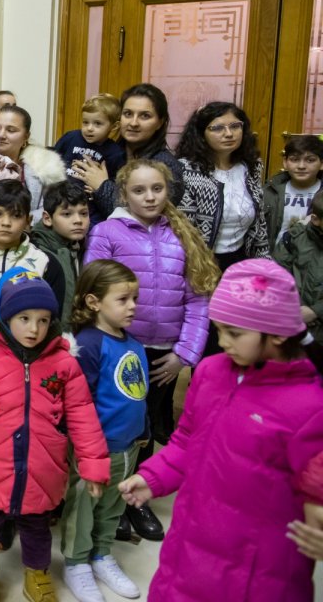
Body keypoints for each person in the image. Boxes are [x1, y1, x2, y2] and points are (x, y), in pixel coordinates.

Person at [118, 259, 323, 602]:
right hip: (188, 548)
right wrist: (152, 476)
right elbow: (187, 440)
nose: (222, 341)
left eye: (235, 332)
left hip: (256, 572)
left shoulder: (308, 407)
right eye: (219, 329)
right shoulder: (212, 373)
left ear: (275, 332)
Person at [0, 270, 110, 602]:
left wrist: (93, 466)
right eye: (24, 318)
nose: (34, 329)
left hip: (41, 470)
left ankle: (37, 574)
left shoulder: (63, 363)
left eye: (44, 320)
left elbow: (84, 417)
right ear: (4, 316)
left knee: (36, 529)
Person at [84, 159, 218, 542]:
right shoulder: (107, 232)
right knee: (119, 426)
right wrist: (109, 342)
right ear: (123, 193)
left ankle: (135, 499)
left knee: (146, 430)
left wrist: (185, 354)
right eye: (139, 190)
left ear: (167, 191)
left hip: (165, 354)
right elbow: (95, 289)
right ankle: (110, 500)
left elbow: (197, 300)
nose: (149, 196)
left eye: (157, 189)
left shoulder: (181, 233)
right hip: (122, 350)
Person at [60, 261, 148, 602]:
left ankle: (100, 554)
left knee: (113, 506)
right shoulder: (89, 345)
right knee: (83, 507)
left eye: (135, 299)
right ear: (95, 302)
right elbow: (79, 403)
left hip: (128, 448)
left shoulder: (134, 344)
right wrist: (88, 449)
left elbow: (138, 393)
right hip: (94, 450)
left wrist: (145, 431)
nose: (133, 307)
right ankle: (76, 561)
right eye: (123, 299)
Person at [74, 83, 184, 222]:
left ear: (160, 122)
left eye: (145, 116)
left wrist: (102, 185)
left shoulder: (166, 166)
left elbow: (140, 216)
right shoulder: (105, 151)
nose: (133, 123)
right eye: (128, 114)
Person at [176, 101, 269, 264]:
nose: (229, 134)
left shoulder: (252, 167)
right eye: (217, 128)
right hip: (199, 263)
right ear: (201, 134)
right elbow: (183, 231)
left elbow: (259, 223)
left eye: (235, 126)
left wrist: (263, 263)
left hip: (241, 258)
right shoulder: (187, 169)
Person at [0, 180, 66, 305]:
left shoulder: (47, 262)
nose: (6, 223)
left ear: (28, 221)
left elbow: (54, 318)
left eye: (16, 215)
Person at [53, 94, 126, 226]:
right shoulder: (70, 138)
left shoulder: (115, 153)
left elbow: (117, 184)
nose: (89, 128)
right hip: (61, 199)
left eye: (97, 123)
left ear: (114, 127)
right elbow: (52, 159)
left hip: (91, 208)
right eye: (85, 122)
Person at [0, 104, 67, 223]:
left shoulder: (42, 168)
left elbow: (51, 208)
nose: (1, 135)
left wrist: (18, 224)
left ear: (26, 136)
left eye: (11, 130)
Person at [31, 182, 91, 327]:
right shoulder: (38, 255)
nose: (78, 221)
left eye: (84, 213)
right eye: (67, 214)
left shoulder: (83, 247)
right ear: (47, 218)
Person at [274, 189, 323, 347]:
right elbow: (277, 277)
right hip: (291, 327)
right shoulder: (294, 239)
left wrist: (316, 311)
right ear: (315, 219)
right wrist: (295, 309)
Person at [265, 134, 323, 245]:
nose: (301, 166)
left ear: (321, 163)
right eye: (294, 159)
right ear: (285, 162)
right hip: (274, 258)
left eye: (310, 160)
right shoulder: (269, 191)